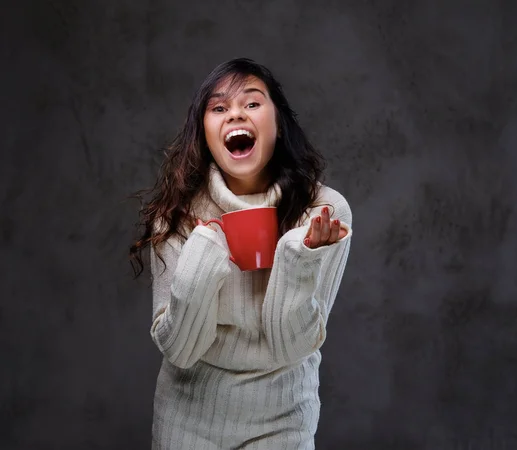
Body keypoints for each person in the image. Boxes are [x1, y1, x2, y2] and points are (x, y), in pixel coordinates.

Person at [130, 58, 353, 449]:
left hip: (283, 416)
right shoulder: (177, 214)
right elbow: (180, 350)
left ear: (278, 123)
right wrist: (204, 253)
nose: (235, 113)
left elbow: (292, 346)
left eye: (251, 103)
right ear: (204, 132)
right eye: (219, 108)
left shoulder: (323, 213)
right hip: (188, 414)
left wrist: (299, 258)